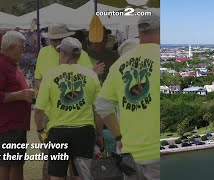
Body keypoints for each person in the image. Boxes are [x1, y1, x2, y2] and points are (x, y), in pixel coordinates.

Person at [34, 23, 105, 180]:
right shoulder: (91, 76)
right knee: (80, 175)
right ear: (79, 56)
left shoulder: (50, 75)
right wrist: (99, 133)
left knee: (56, 175)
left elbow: (38, 110)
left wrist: (40, 131)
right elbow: (99, 109)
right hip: (85, 130)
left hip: (57, 130)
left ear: (62, 53)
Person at [95, 13, 160, 180]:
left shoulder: (119, 65)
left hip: (129, 151)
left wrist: (118, 135)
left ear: (140, 32)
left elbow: (102, 104)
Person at [0, 31, 35, 180]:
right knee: (9, 165)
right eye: (21, 46)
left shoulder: (11, 64)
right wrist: (20, 95)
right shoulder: (2, 65)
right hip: (8, 125)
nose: (24, 49)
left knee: (15, 164)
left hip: (16, 125)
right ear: (12, 47)